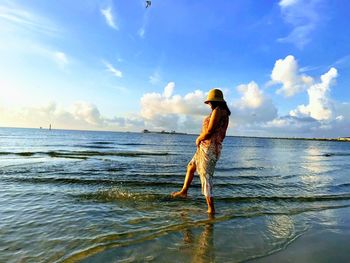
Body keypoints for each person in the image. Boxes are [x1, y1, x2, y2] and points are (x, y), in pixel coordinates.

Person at [172, 88, 230, 214]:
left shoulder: (218, 111)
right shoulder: (224, 113)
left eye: (210, 102)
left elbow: (209, 131)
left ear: (214, 102)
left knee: (205, 177)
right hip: (207, 147)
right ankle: (184, 191)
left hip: (208, 148)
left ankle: (211, 209)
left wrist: (199, 138)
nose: (208, 104)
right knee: (191, 166)